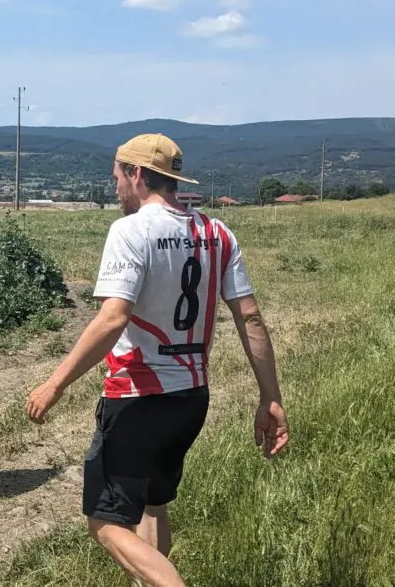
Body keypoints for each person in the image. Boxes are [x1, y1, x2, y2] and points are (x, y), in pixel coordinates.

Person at [24, 133, 289, 587]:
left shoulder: (130, 231)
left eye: (118, 179)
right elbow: (250, 316)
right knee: (153, 502)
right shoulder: (217, 233)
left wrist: (55, 383)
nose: (116, 190)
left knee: (104, 522)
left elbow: (112, 319)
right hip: (191, 398)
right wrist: (270, 397)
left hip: (137, 398)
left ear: (138, 175)